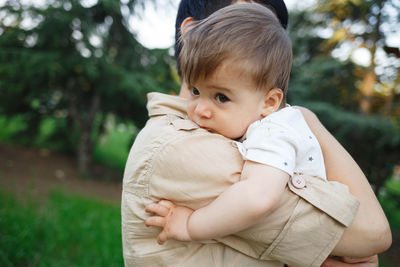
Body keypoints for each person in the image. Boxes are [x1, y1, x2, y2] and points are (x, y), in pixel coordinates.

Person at [121, 0, 391, 266]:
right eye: (196, 91)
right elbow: (371, 234)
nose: (201, 110)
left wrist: (191, 226)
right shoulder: (183, 147)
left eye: (221, 97)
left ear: (270, 101)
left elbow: (259, 199)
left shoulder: (268, 134)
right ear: (191, 34)